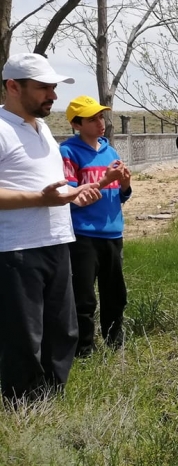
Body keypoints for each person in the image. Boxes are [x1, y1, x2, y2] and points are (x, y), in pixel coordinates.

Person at [0, 53, 102, 402]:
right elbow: (34, 194)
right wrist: (37, 198)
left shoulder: (41, 127)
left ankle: (53, 396)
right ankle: (23, 404)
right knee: (25, 335)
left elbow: (50, 188)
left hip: (57, 241)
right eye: (43, 88)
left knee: (63, 328)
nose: (53, 96)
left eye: (53, 87)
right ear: (13, 86)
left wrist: (74, 197)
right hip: (15, 249)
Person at [60, 96, 132, 356]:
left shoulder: (109, 150)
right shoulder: (68, 152)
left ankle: (115, 342)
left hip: (113, 231)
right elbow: (70, 197)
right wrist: (104, 180)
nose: (100, 123)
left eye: (101, 117)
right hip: (83, 235)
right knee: (84, 296)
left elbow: (121, 195)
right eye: (92, 119)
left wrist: (124, 183)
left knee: (115, 292)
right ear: (76, 124)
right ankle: (84, 349)